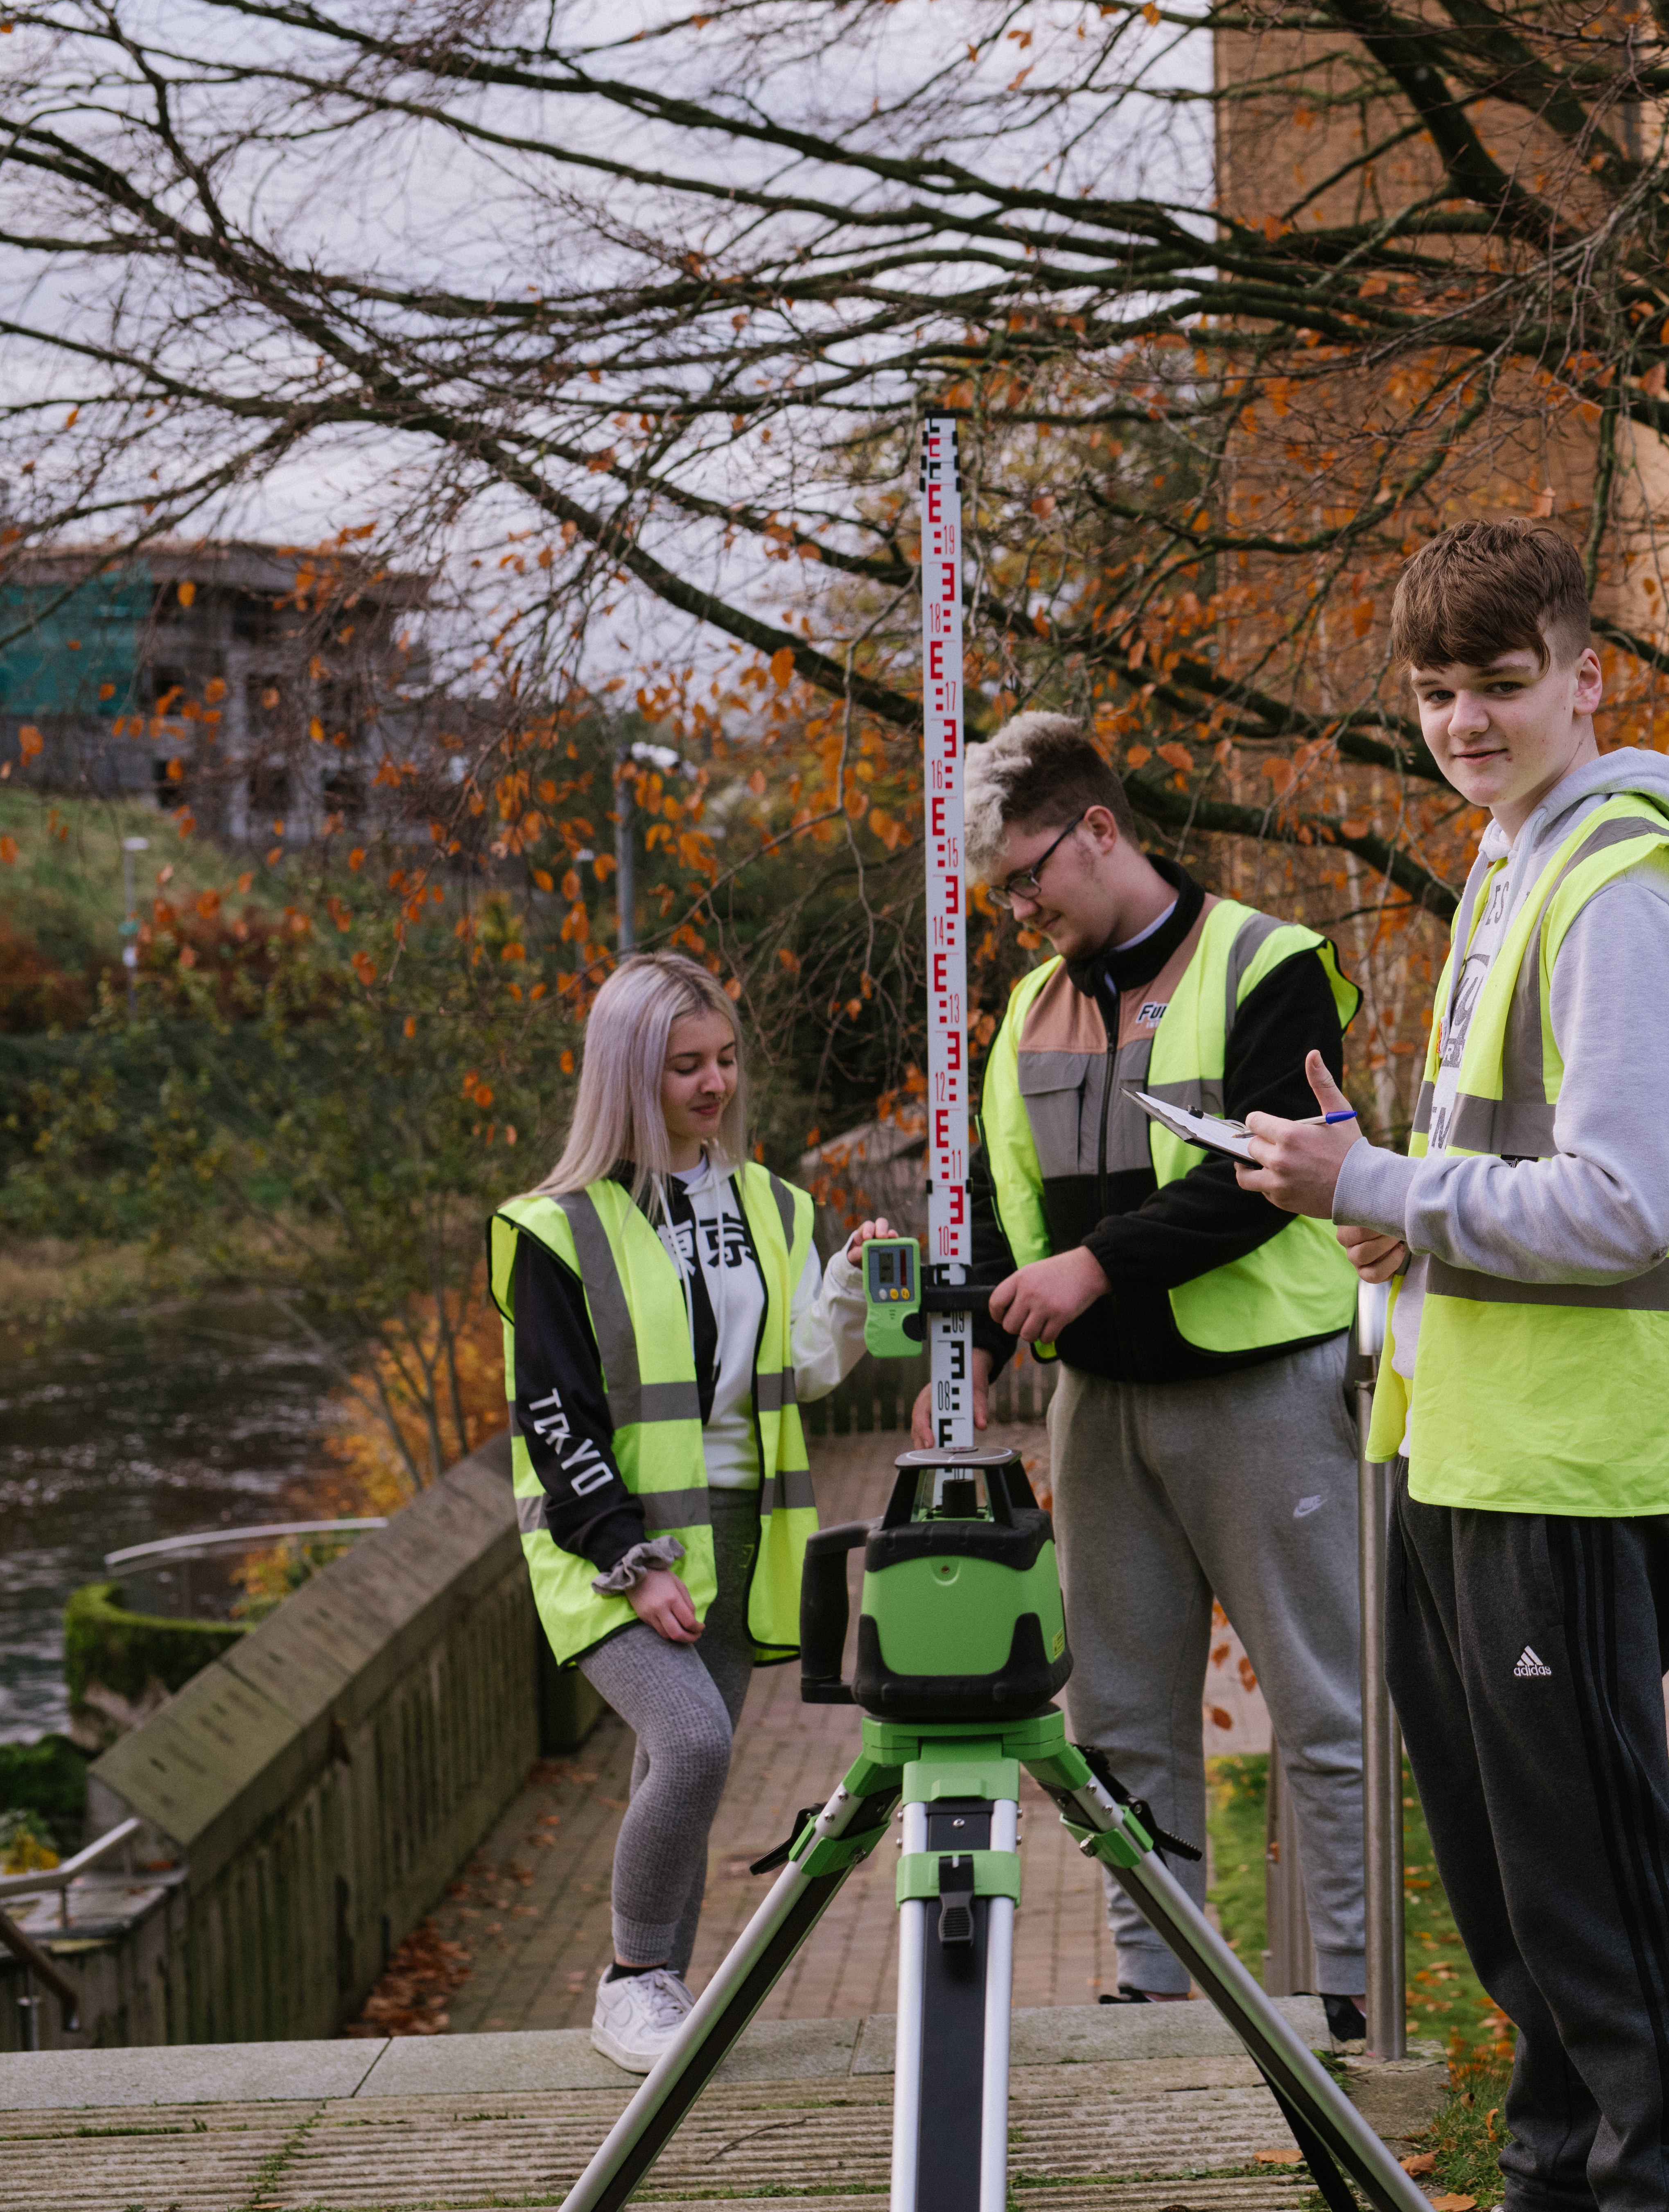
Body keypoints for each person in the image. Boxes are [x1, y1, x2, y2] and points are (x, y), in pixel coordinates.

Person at [1238, 518, 1669, 2212]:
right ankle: (1552, 2184)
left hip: (1568, 1470)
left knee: (1597, 1909)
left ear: (1586, 679)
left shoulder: (1622, 886)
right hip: (1460, 1446)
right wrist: (1389, 1221)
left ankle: (1655, 2186)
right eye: (1438, 688)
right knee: (1521, 1914)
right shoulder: (1513, 859)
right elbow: (1515, 1178)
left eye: (1502, 683)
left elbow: (1617, 1203)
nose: (1465, 717)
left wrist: (1378, 1186)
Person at [939, 709, 1374, 2038]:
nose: (1019, 911)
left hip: (1266, 1392)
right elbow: (1008, 1213)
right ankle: (1156, 1985)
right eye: (1001, 893)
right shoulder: (1022, 1011)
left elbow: (1264, 1180)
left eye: (1029, 877)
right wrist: (975, 1351)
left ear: (1101, 829)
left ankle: (1353, 1993)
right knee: (1122, 1721)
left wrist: (1097, 1270)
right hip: (1100, 1409)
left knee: (1325, 1705)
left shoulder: (1271, 963)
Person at [491, 951, 893, 2072]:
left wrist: (848, 1291)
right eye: (685, 1067)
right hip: (608, 1538)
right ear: (629, 1075)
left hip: (739, 1531)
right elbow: (553, 1417)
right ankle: (630, 1983)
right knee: (696, 1743)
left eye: (724, 1060)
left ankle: (662, 1989)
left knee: (681, 1767)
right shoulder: (556, 1228)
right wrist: (629, 1556)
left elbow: (801, 1373)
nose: (714, 1085)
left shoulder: (767, 1203)